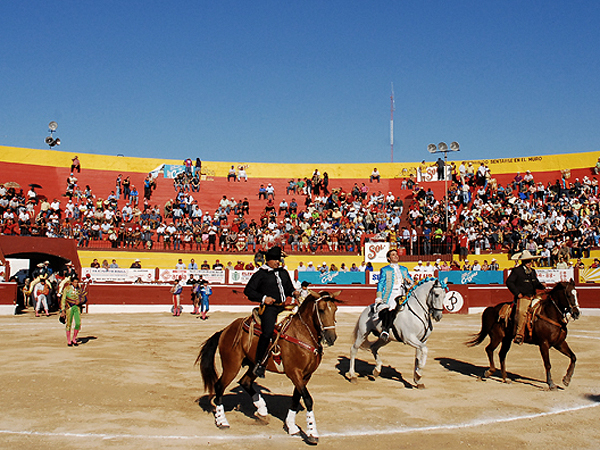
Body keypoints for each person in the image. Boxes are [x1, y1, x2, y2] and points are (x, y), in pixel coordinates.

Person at [244, 246, 297, 378]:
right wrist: (263, 298)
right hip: (269, 309)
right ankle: (259, 363)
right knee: (267, 333)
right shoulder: (260, 274)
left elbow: (289, 288)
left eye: (278, 259)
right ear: (268, 260)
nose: (278, 262)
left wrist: (294, 292)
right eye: (275, 260)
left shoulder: (283, 272)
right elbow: (248, 291)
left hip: (284, 307)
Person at [506, 250, 545, 345]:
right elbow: (509, 282)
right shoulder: (517, 270)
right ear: (523, 262)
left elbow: (535, 283)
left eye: (530, 261)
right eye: (527, 261)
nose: (529, 263)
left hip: (533, 296)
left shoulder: (532, 271)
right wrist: (517, 293)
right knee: (522, 312)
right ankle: (519, 334)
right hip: (523, 297)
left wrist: (542, 286)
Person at [376, 249, 413, 341]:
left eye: (396, 254)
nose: (396, 256)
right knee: (391, 309)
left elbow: (410, 282)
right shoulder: (385, 269)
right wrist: (379, 297)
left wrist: (409, 282)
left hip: (403, 292)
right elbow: (381, 284)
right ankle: (386, 330)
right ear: (389, 258)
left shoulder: (404, 269)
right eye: (393, 255)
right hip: (391, 293)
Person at [60, 276, 84, 346]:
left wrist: (79, 302)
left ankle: (74, 339)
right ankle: (69, 340)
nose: (76, 284)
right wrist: (63, 310)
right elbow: (63, 299)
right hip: (69, 307)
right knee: (69, 324)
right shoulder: (67, 289)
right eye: (75, 282)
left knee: (78, 323)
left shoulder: (79, 290)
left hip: (77, 307)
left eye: (77, 282)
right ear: (71, 282)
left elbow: (83, 298)